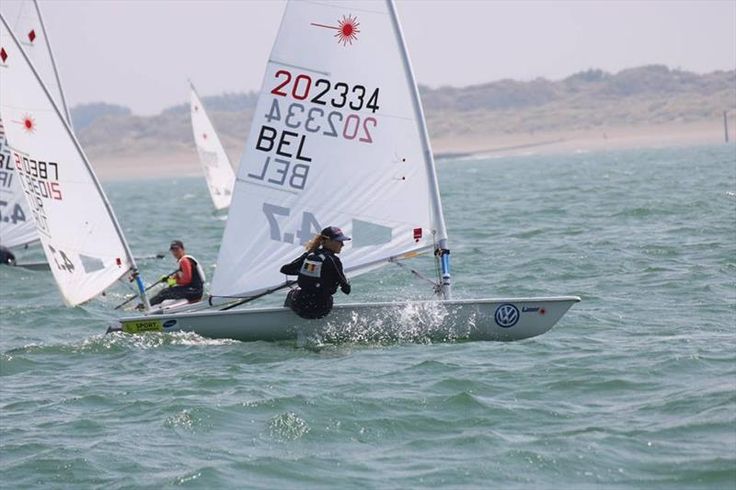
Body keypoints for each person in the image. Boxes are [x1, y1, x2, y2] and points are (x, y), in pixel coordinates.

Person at [280, 226, 351, 319]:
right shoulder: (334, 260)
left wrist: (306, 256)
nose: (342, 245)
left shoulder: (309, 256)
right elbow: (346, 290)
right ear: (326, 241)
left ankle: (285, 319)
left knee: (291, 293)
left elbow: (285, 270)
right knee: (326, 296)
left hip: (300, 307)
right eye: (339, 241)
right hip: (322, 310)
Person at [149, 240, 205, 306]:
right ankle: (148, 305)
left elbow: (187, 280)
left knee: (164, 293)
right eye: (173, 250)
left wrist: (174, 281)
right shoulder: (186, 260)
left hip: (194, 292)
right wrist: (168, 280)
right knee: (165, 291)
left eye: (177, 249)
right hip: (195, 291)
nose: (175, 252)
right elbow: (179, 277)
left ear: (183, 249)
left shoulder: (184, 260)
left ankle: (146, 306)